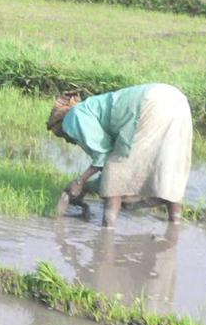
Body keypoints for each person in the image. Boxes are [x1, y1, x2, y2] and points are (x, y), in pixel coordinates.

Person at [47, 83, 192, 228]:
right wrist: (87, 187)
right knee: (168, 166)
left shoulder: (74, 116)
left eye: (63, 135)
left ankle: (107, 230)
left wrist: (79, 182)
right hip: (176, 100)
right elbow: (103, 163)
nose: (68, 141)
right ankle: (175, 225)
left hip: (148, 103)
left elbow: (104, 154)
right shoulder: (92, 108)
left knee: (115, 171)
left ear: (62, 123)